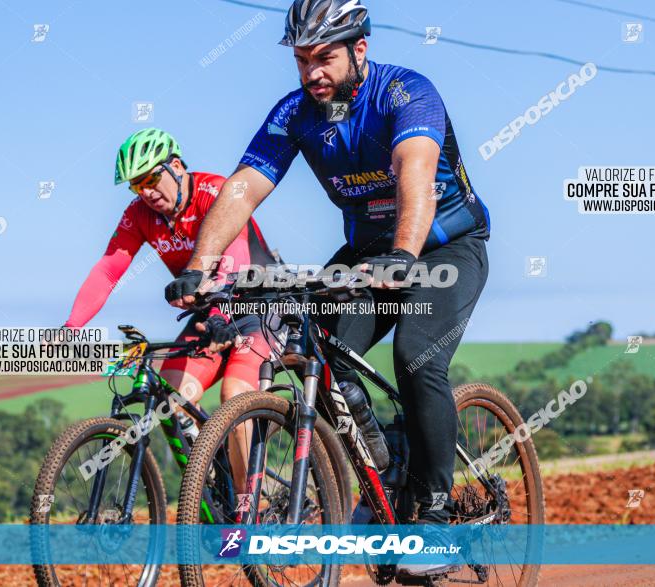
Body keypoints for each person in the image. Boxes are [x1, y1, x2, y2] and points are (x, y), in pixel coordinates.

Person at [164, 1, 490, 576]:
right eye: (301, 60)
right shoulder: (298, 113)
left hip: (443, 248)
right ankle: (383, 469)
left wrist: (403, 256)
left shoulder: (406, 94)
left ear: (358, 50)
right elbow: (243, 188)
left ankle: (436, 516)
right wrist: (200, 264)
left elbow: (416, 173)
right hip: (368, 258)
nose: (313, 72)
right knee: (313, 352)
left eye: (325, 58)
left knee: (417, 359)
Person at [64, 128, 276, 460]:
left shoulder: (215, 192)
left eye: (150, 179)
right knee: (172, 402)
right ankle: (210, 482)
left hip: (260, 309)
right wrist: (71, 327)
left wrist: (221, 315)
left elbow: (234, 261)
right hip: (211, 317)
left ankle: (249, 509)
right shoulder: (140, 215)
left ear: (176, 166)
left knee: (234, 399)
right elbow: (108, 270)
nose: (145, 192)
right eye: (137, 185)